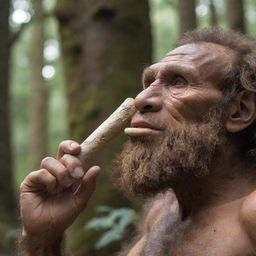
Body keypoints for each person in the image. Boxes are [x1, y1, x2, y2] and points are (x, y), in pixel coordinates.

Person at [18, 28, 256, 255]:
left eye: (178, 82)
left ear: (240, 110)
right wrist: (43, 240)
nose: (141, 99)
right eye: (148, 82)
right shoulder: (163, 211)